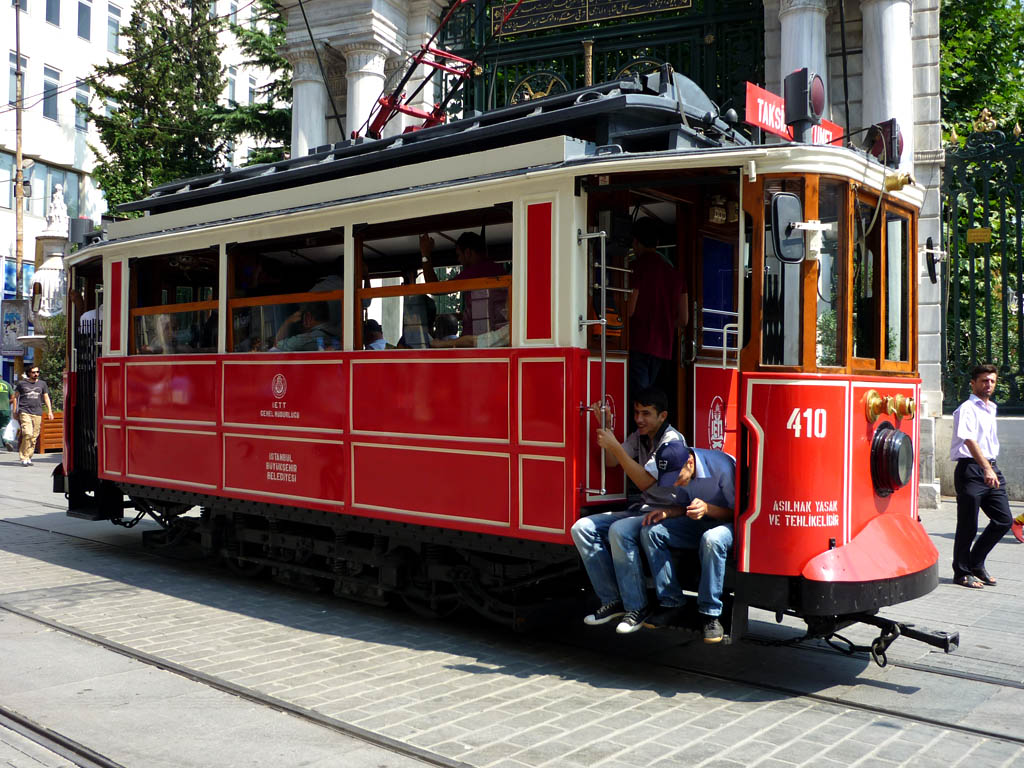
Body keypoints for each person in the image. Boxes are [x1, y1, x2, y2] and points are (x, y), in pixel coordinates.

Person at [569, 387, 686, 633]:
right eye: (636, 413)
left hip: (669, 513)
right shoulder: (640, 436)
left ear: (662, 416)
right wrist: (607, 428)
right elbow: (612, 462)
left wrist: (616, 446)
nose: (639, 419)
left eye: (646, 413)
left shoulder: (672, 441)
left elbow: (644, 481)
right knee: (582, 528)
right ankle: (613, 601)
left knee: (619, 531)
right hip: (644, 509)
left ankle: (637, 606)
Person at [640, 441, 737, 643]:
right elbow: (684, 507)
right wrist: (668, 512)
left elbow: (738, 514)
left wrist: (707, 509)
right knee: (652, 532)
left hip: (728, 525)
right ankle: (671, 601)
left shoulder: (723, 467)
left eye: (676, 478)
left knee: (712, 539)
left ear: (690, 463)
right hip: (700, 522)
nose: (674, 483)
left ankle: (710, 614)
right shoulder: (682, 471)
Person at [949, 363, 1012, 588]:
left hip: (990, 467)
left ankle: (976, 562)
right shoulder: (967, 408)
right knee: (968, 524)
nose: (989, 384)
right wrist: (985, 467)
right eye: (984, 380)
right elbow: (968, 439)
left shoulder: (991, 407)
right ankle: (962, 572)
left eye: (992, 381)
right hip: (971, 469)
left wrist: (990, 467)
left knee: (1004, 519)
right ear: (973, 383)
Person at [626, 217, 688, 400]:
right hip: (663, 348)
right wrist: (666, 323)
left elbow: (630, 309)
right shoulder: (676, 275)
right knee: (652, 399)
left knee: (640, 400)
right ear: (658, 243)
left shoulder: (635, 268)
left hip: (638, 342)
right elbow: (684, 320)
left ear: (635, 242)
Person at [419, 231, 507, 336]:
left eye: (459, 255)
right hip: (495, 336)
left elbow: (434, 288)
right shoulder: (498, 270)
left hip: (477, 339)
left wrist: (425, 254)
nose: (459, 259)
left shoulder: (475, 271)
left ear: (468, 252)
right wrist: (459, 316)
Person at [11, 366, 54, 467]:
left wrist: (50, 411)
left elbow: (46, 397)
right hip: (24, 411)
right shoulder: (22, 384)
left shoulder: (42, 384)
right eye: (33, 372)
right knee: (27, 433)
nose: (36, 374)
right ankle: (24, 457)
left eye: (37, 372)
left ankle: (29, 456)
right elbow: (15, 397)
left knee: (34, 437)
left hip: (37, 412)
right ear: (29, 373)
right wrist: (14, 411)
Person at [273, 303, 339, 351]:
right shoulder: (338, 331)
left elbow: (275, 348)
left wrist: (288, 321)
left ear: (308, 317)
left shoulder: (307, 338)